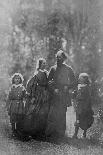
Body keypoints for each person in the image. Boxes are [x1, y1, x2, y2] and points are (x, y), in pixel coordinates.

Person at [45, 50, 76, 142]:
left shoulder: (68, 69)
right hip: (55, 94)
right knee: (52, 113)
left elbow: (74, 81)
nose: (58, 58)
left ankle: (61, 133)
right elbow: (48, 81)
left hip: (63, 94)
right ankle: (50, 133)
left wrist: (68, 86)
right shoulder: (53, 68)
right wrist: (53, 89)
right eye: (57, 57)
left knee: (62, 113)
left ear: (64, 58)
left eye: (60, 57)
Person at [22, 58, 49, 140]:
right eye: (43, 63)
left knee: (42, 114)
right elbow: (30, 84)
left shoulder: (46, 73)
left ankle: (40, 133)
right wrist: (32, 96)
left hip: (44, 94)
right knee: (34, 112)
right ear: (40, 64)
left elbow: (48, 83)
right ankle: (30, 132)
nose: (44, 64)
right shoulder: (37, 73)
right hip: (37, 95)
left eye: (45, 63)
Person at [73, 73, 94, 139]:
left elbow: (88, 98)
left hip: (84, 106)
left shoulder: (87, 87)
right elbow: (75, 94)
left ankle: (84, 133)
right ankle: (75, 134)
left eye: (80, 78)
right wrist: (74, 93)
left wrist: (86, 107)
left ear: (84, 79)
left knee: (84, 119)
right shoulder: (78, 85)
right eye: (79, 77)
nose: (79, 79)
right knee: (77, 119)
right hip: (79, 105)